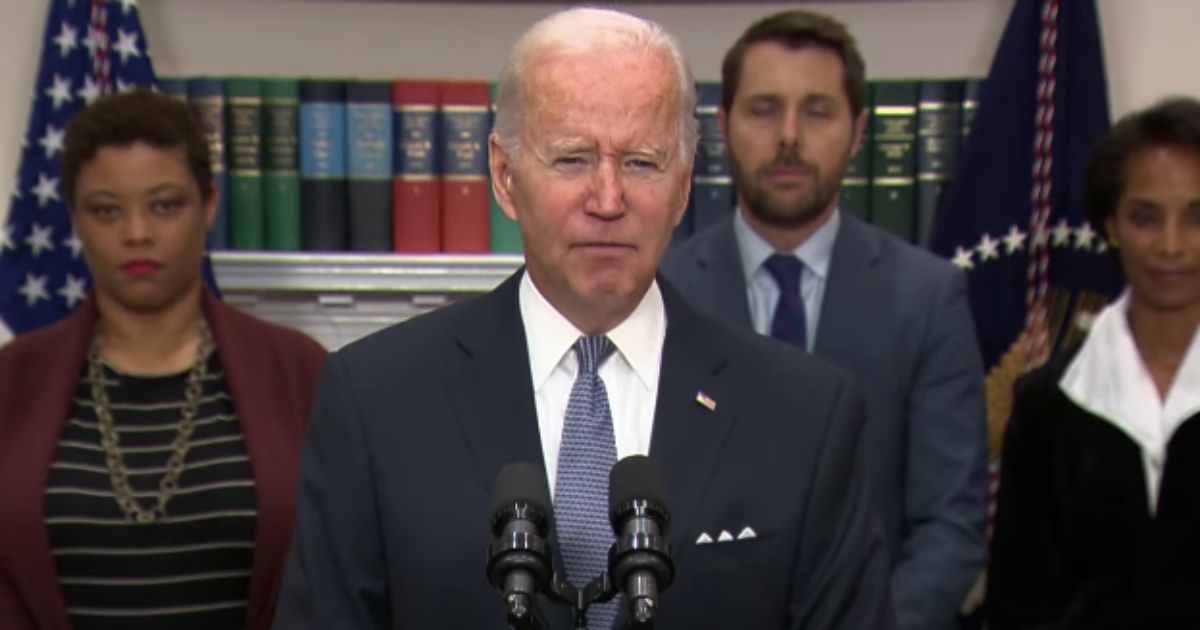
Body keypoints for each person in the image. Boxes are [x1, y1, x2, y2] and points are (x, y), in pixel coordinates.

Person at [272, 7, 894, 630]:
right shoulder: (376, 400)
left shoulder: (805, 416)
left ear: (682, 186)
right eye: (572, 159)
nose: (607, 198)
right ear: (504, 174)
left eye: (642, 162)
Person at [660, 9, 987, 630]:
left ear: (859, 130)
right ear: (722, 128)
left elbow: (952, 528)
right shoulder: (661, 291)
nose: (788, 136)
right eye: (763, 109)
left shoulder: (926, 298)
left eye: (816, 111)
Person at [0, 88, 327, 629]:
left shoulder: (298, 374)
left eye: (164, 205)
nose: (137, 233)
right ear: (75, 219)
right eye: (107, 210)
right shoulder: (14, 385)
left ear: (208, 206)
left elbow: (340, 576)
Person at [987, 97, 1200, 629]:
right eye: (1146, 217)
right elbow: (1018, 603)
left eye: (1196, 217)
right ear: (1111, 225)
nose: (1171, 246)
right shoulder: (1046, 405)